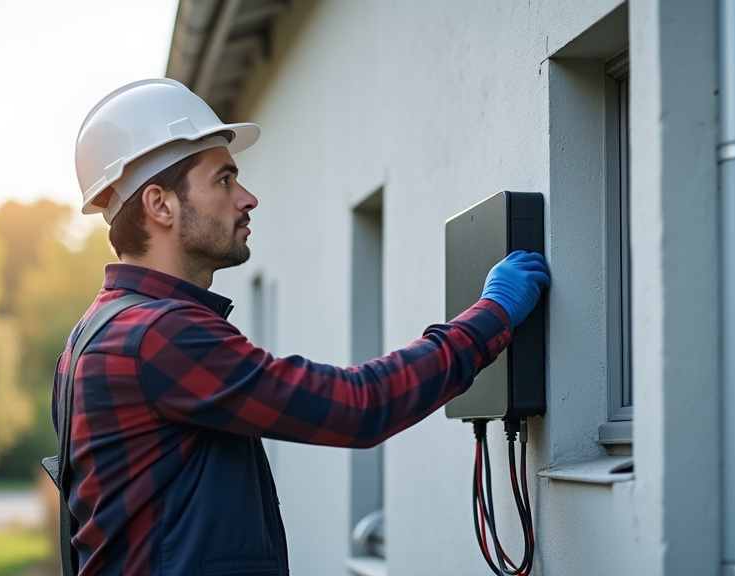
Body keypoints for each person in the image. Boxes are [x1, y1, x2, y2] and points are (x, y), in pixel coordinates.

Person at [54, 78, 550, 576]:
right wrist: (492, 317)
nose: (247, 198)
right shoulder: (160, 336)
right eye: (223, 180)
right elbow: (360, 407)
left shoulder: (91, 337)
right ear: (160, 204)